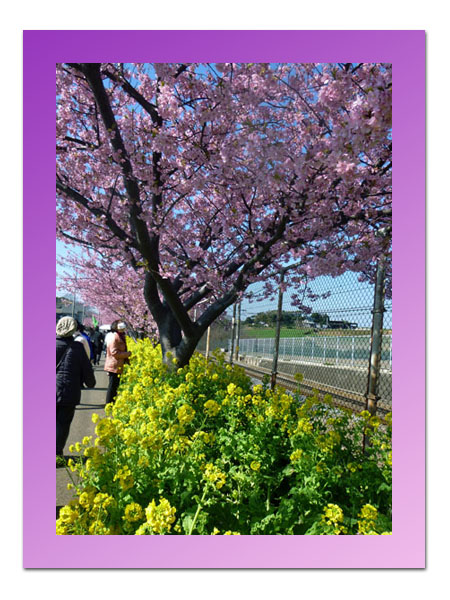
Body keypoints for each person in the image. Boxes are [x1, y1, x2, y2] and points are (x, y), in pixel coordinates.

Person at [56, 316, 96, 460]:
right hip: (69, 392)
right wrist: (90, 382)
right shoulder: (78, 347)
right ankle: (56, 453)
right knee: (62, 423)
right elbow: (87, 372)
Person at [104, 320, 131, 405]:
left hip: (118, 364)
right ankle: (109, 403)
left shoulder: (121, 336)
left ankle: (112, 402)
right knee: (112, 386)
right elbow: (114, 352)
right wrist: (127, 354)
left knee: (115, 385)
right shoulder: (114, 337)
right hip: (114, 365)